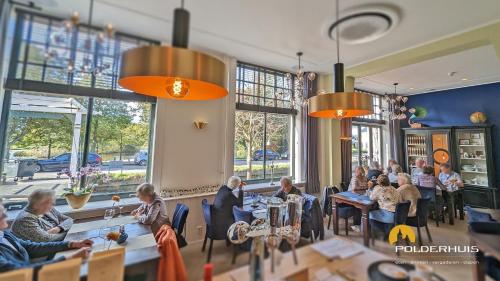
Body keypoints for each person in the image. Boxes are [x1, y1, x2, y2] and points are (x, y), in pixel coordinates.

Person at [0, 203, 92, 273]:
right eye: (1, 214)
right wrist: (69, 259)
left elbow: (30, 247)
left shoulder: (4, 234)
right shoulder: (26, 218)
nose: (6, 216)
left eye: (4, 211)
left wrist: (71, 244)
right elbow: (19, 271)